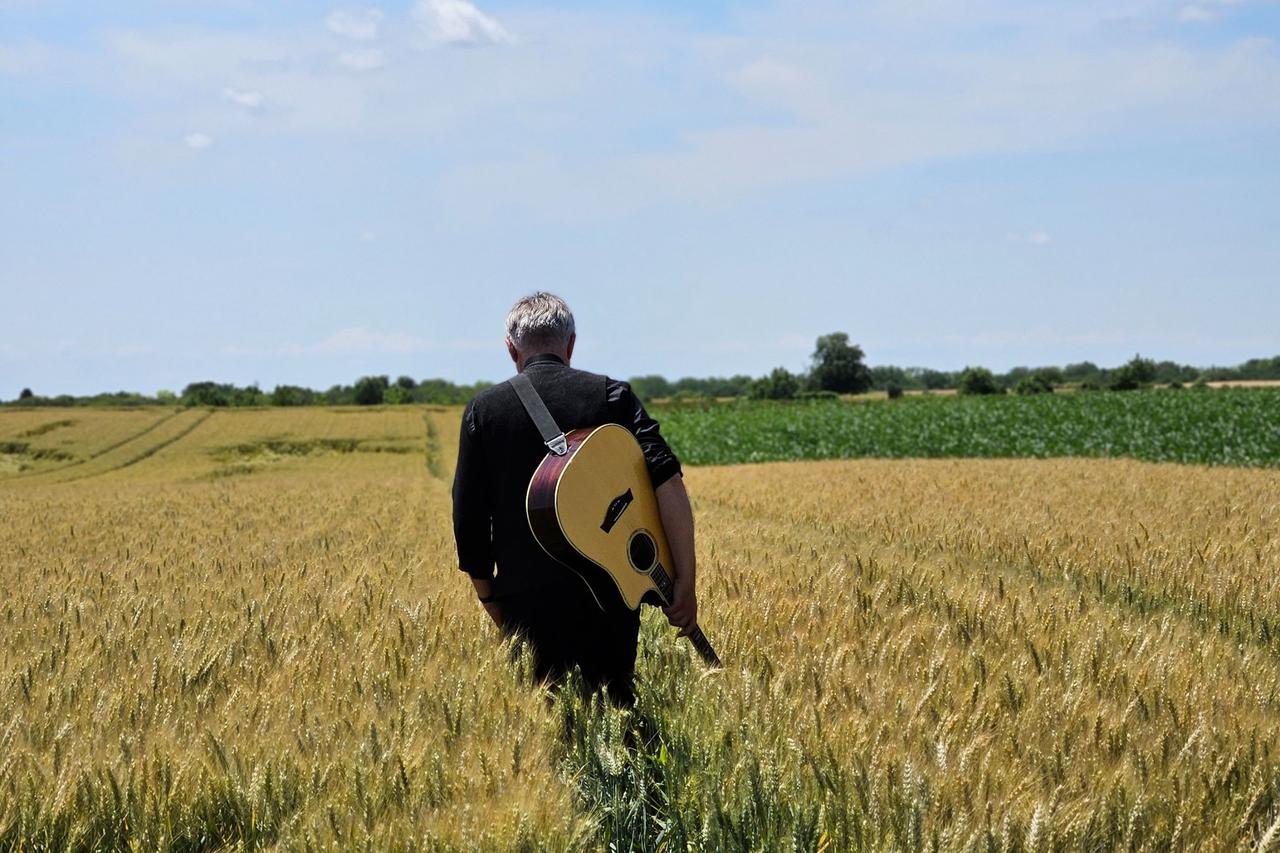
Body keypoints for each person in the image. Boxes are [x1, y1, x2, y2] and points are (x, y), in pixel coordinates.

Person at [451, 292, 698, 707]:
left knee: (549, 740)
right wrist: (684, 582)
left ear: (511, 349)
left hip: (524, 600)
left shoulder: (483, 411)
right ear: (570, 344)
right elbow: (668, 483)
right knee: (618, 718)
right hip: (610, 597)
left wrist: (492, 600)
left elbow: (469, 520)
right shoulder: (611, 396)